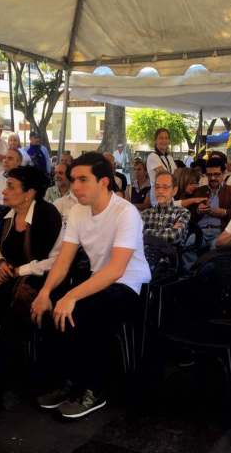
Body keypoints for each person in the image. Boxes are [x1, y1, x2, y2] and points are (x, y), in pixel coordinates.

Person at [30, 152, 151, 419]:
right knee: (52, 308)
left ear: (104, 182)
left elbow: (117, 269)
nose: (75, 186)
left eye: (83, 179)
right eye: (73, 179)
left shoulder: (125, 212)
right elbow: (63, 260)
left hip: (130, 283)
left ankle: (94, 389)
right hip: (99, 279)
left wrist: (72, 296)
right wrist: (46, 292)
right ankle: (70, 381)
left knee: (85, 311)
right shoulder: (76, 211)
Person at [0, 166, 63, 312]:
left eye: (10, 186)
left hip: (41, 281)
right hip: (11, 276)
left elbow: (57, 260)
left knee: (19, 297)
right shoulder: (9, 215)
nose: (4, 191)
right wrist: (1, 263)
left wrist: (18, 271)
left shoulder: (47, 215)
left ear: (29, 193)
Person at [194, 157, 231, 246]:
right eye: (209, 175)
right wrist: (198, 210)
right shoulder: (200, 191)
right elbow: (189, 213)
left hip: (220, 231)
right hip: (200, 231)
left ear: (224, 173)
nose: (213, 178)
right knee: (189, 244)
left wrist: (225, 212)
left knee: (216, 248)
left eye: (216, 174)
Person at [141, 171, 191, 245]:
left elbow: (172, 236)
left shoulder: (183, 213)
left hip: (170, 255)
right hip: (146, 255)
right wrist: (167, 231)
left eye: (165, 187)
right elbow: (133, 233)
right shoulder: (146, 213)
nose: (160, 191)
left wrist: (144, 232)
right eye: (157, 187)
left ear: (174, 190)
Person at [146, 128, 177, 205]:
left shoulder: (169, 157)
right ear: (155, 141)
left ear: (169, 141)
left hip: (169, 194)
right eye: (161, 138)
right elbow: (164, 176)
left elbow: (176, 175)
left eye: (166, 138)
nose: (164, 141)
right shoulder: (152, 156)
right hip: (158, 195)